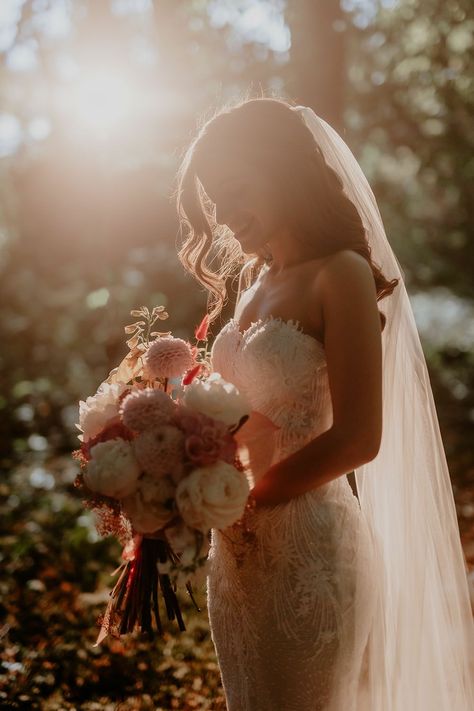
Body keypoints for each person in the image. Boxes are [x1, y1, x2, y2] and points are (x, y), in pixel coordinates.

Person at [175, 97, 474, 711]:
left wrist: (246, 501)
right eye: (215, 202)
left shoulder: (339, 273)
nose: (227, 218)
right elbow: (236, 418)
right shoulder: (252, 286)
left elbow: (360, 438)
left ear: (283, 171)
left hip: (311, 550)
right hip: (235, 558)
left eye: (236, 191)